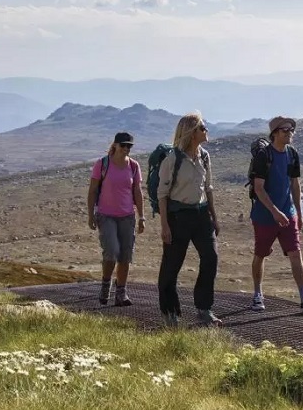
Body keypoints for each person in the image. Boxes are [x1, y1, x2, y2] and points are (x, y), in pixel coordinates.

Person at [249, 116, 303, 313]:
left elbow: (295, 184)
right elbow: (259, 189)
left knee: (295, 253)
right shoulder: (263, 156)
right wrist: (275, 212)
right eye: (285, 130)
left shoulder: (292, 154)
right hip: (265, 216)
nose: (289, 133)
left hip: (288, 214)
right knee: (260, 255)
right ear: (275, 133)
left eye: (291, 129)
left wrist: (299, 214)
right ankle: (258, 294)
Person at [157, 112, 221, 326]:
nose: (206, 130)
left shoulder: (204, 156)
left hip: (201, 214)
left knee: (211, 257)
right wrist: (164, 225)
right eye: (203, 127)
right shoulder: (173, 159)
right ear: (192, 133)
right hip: (178, 216)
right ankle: (170, 312)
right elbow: (162, 194)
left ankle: (204, 308)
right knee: (172, 265)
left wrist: (214, 216)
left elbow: (208, 188)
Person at [87, 131, 145, 306]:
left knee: (125, 256)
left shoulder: (134, 166)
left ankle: (121, 293)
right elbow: (92, 191)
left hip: (127, 217)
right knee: (111, 252)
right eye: (123, 145)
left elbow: (137, 191)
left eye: (129, 146)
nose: (126, 149)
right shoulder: (102, 164)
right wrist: (91, 215)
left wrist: (142, 216)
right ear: (115, 145)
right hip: (106, 216)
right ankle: (106, 285)